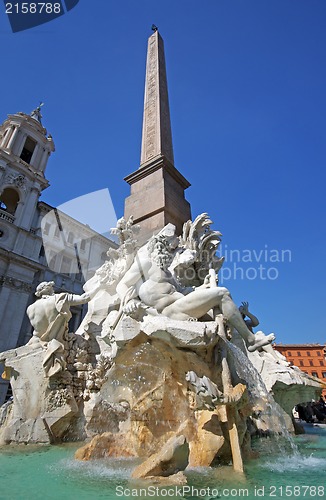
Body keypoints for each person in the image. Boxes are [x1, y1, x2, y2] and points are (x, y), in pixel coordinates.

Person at [116, 231, 275, 352]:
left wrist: (203, 286)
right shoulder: (146, 264)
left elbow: (185, 292)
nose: (172, 253)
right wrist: (129, 301)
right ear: (159, 246)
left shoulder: (169, 274)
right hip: (171, 311)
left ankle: (244, 344)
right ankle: (251, 340)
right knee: (222, 293)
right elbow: (122, 284)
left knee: (225, 316)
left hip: (182, 307)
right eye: (169, 248)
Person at [27, 281, 101, 377]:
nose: (53, 289)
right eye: (52, 287)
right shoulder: (60, 298)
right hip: (57, 344)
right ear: (49, 289)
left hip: (36, 343)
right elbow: (84, 298)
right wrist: (100, 286)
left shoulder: (31, 308)